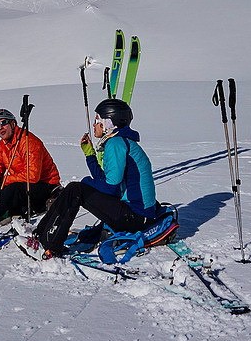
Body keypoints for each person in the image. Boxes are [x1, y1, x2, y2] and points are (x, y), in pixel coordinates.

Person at [19, 98, 158, 259]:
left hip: (135, 217)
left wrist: (85, 183)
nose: (94, 125)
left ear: (108, 123)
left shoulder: (116, 143)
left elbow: (110, 188)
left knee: (75, 189)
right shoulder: (121, 142)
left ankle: (49, 244)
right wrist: (90, 155)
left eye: (97, 120)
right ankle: (41, 234)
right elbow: (105, 181)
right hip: (138, 215)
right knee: (76, 190)